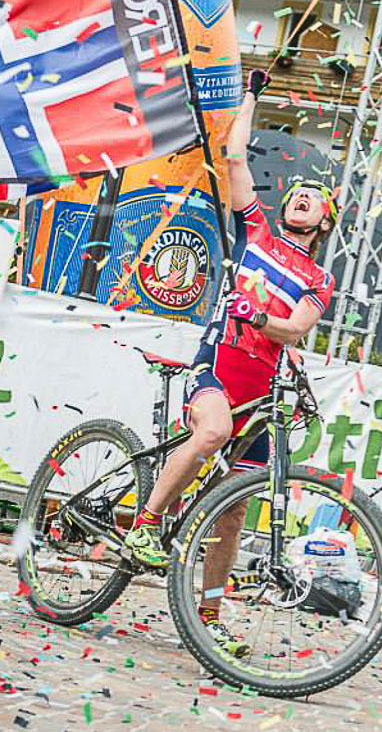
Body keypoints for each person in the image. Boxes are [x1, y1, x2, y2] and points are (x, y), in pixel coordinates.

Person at [116, 87, 338, 653]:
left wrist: (260, 315)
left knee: (233, 514)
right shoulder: (256, 232)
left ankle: (209, 619)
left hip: (262, 393)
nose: (302, 198)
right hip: (216, 367)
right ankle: (143, 524)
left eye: (314, 197)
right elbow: (235, 157)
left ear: (325, 218)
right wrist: (250, 99)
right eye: (298, 192)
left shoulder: (318, 280)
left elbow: (294, 331)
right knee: (210, 432)